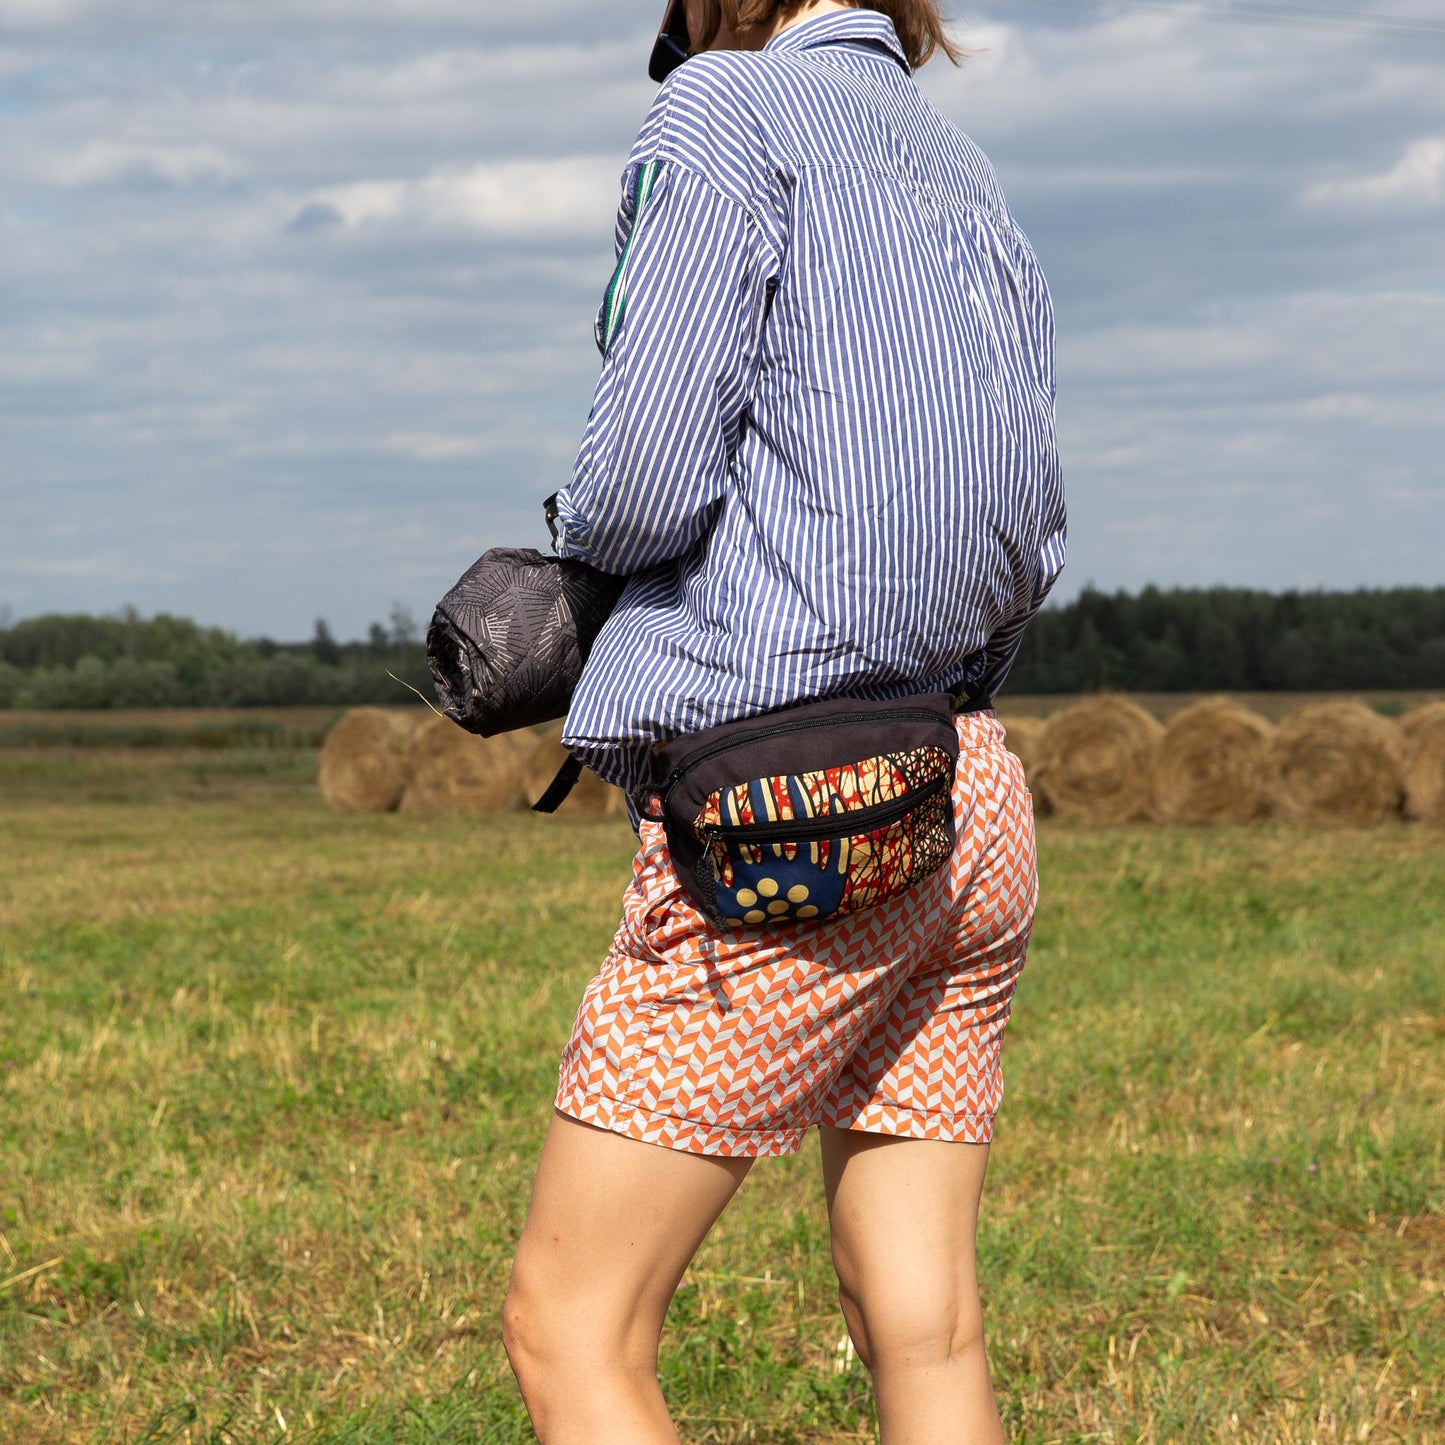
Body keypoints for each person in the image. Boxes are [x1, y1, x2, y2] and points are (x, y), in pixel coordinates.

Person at [502, 1, 1065, 1440]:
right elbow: (1024, 521)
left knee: (574, 1326)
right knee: (922, 1321)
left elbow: (639, 478)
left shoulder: (720, 108)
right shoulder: (962, 168)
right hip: (967, 791)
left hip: (792, 818)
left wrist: (566, 563)